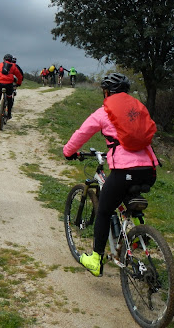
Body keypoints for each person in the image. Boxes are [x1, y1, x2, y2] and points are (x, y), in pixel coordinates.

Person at [62, 72, 159, 277]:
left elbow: (82, 133)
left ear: (106, 92)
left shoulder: (104, 112)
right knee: (125, 199)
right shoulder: (137, 109)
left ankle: (96, 260)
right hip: (149, 170)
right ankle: (138, 234)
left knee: (104, 210)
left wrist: (68, 152)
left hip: (125, 171)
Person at [0, 53, 23, 118]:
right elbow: (19, 76)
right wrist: (19, 83)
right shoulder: (13, 66)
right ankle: (9, 113)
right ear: (11, 60)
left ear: (4, 59)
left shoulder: (0, 64)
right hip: (8, 83)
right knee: (9, 97)